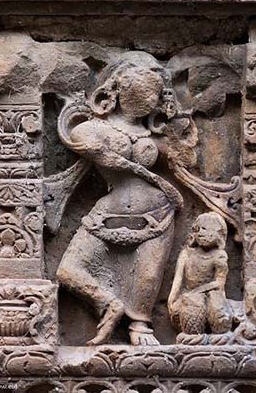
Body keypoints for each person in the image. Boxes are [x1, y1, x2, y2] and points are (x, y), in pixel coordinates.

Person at [56, 53, 183, 346]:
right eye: (142, 87)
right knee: (68, 271)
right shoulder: (95, 128)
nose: (148, 97)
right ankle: (108, 302)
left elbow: (184, 160)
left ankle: (140, 326)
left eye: (154, 92)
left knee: (147, 278)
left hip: (158, 213)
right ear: (116, 89)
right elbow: (79, 136)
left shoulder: (154, 135)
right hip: (109, 212)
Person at [168, 212, 232, 337]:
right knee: (192, 304)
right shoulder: (187, 253)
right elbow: (178, 279)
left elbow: (219, 283)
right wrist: (171, 300)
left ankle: (218, 335)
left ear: (219, 234)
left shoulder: (219, 255)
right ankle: (193, 336)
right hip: (189, 296)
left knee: (217, 308)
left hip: (209, 294)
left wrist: (199, 291)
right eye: (198, 229)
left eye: (206, 229)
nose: (201, 233)